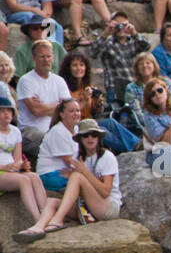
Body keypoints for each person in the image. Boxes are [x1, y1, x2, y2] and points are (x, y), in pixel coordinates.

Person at [38, 118, 121, 228]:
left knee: (77, 176)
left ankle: (57, 220)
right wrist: (70, 179)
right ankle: (38, 227)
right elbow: (84, 192)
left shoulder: (107, 157)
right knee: (51, 201)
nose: (90, 138)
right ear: (80, 139)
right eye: (86, 135)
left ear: (99, 138)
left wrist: (83, 173)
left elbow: (105, 192)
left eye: (94, 135)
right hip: (87, 207)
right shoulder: (78, 157)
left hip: (108, 207)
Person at [1, 94, 54, 242]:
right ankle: (37, 221)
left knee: (34, 176)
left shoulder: (15, 131)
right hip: (1, 171)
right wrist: (5, 167)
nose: (6, 114)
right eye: (2, 111)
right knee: (24, 181)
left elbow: (17, 158)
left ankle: (45, 216)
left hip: (11, 171)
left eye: (9, 111)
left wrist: (20, 165)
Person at [16, 39, 69, 150]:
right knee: (50, 141)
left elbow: (68, 109)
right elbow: (36, 111)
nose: (46, 60)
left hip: (54, 128)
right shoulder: (26, 80)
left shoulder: (59, 81)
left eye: (49, 56)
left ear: (53, 58)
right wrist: (58, 105)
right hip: (29, 131)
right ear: (34, 59)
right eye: (42, 57)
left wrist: (44, 106)